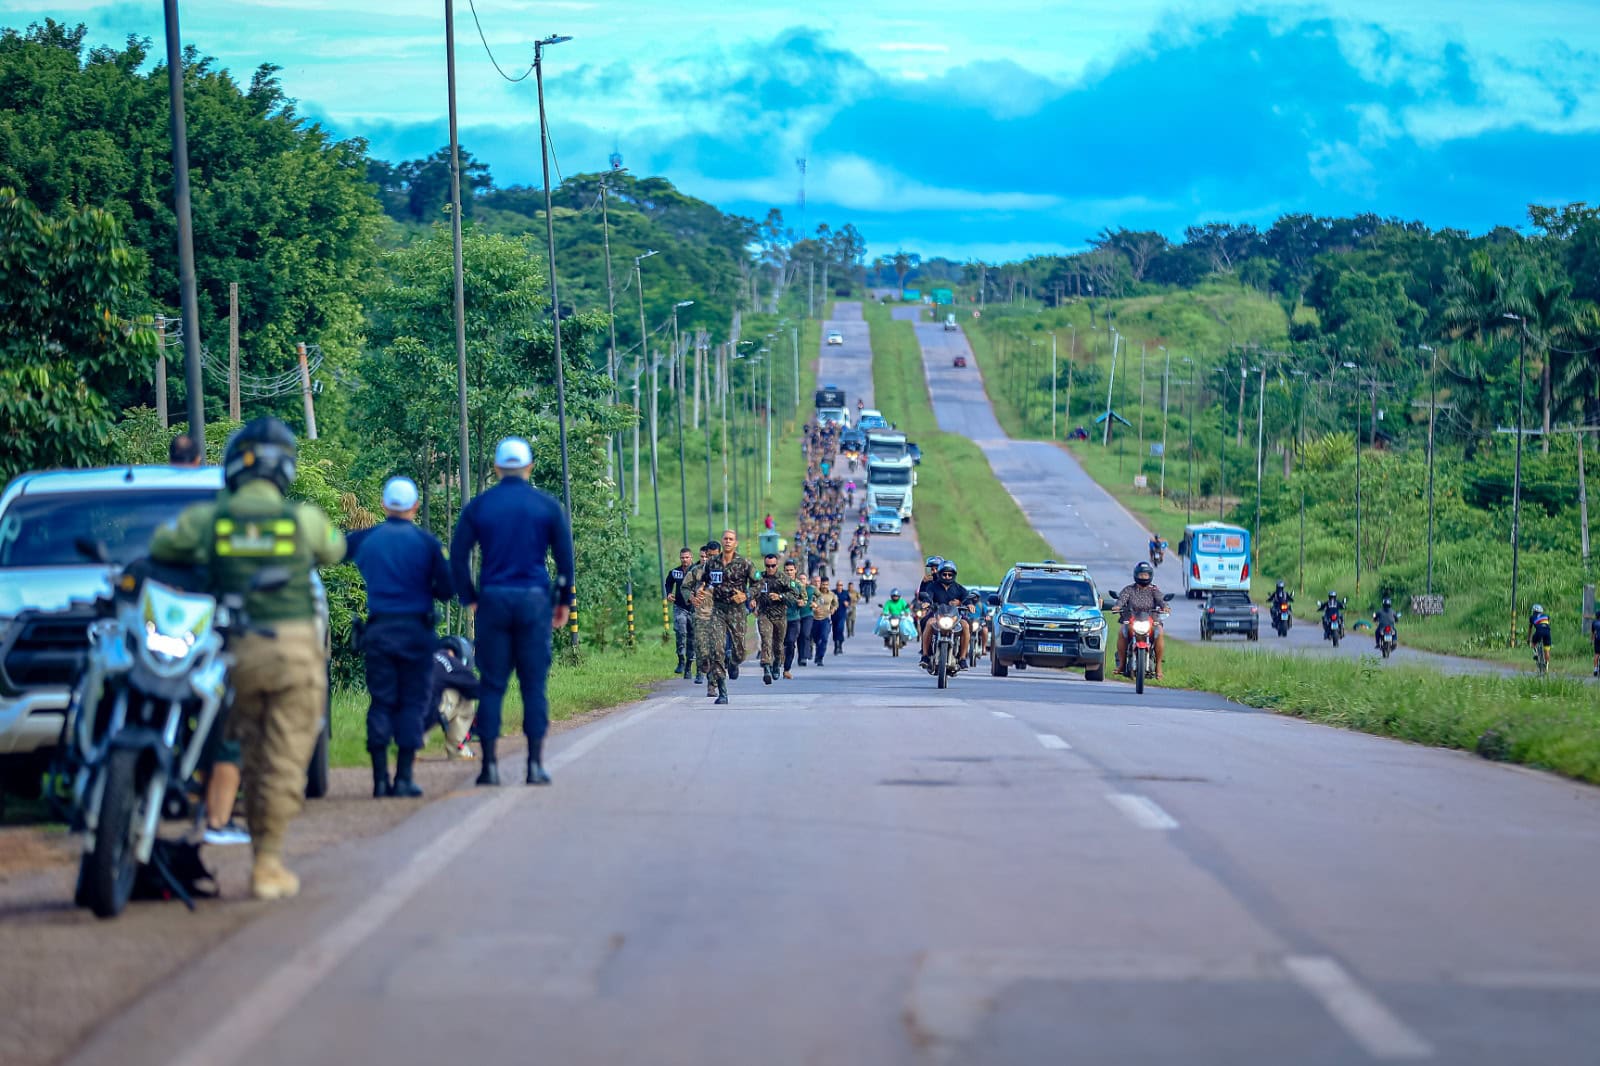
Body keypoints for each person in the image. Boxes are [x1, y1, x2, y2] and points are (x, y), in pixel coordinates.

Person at [150, 417, 345, 900]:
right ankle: (267, 864)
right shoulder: (302, 519)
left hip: (236, 655)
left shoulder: (210, 520)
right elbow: (335, 548)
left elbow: (162, 545)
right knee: (283, 762)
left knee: (251, 755)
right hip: (294, 654)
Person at [450, 436, 575, 788]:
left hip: (494, 600)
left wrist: (470, 597)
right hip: (534, 601)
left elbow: (458, 556)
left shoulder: (480, 506)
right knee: (533, 686)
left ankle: (489, 767)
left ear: (496, 468)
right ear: (529, 468)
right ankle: (534, 766)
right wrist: (563, 602)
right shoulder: (547, 506)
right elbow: (565, 560)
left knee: (492, 684)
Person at [346, 476, 454, 799]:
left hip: (379, 632)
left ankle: (380, 780)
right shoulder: (427, 543)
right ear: (415, 506)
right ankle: (404, 778)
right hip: (416, 634)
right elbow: (447, 589)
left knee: (381, 701)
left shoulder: (365, 539)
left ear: (383, 505)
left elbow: (333, 550)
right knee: (412, 701)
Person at [166, 431, 245, 844]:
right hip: (213, 631)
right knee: (228, 719)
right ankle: (219, 814)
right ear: (198, 458)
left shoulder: (161, 505)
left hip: (166, 628)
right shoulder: (222, 503)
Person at [699, 529, 754, 704]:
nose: (728, 541)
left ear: (735, 543)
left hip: (737, 611)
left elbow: (759, 583)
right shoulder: (712, 563)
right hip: (718, 610)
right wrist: (701, 590)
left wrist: (747, 595)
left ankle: (733, 661)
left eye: (731, 539)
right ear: (722, 541)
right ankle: (722, 692)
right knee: (717, 649)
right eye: (725, 539)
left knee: (740, 652)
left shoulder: (745, 563)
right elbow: (704, 581)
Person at [1112, 561, 1169, 679]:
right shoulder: (1129, 589)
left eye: (1146, 575)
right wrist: (1118, 606)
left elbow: (1161, 600)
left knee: (1159, 632)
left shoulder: (1154, 590)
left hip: (1151, 621)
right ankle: (1121, 664)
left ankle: (1158, 667)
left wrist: (1165, 607)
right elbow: (1122, 599)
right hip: (1132, 620)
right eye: (1141, 575)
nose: (1143, 577)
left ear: (1150, 576)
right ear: (1136, 575)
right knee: (1122, 631)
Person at [429, 635, 480, 760]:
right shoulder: (454, 664)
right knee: (465, 697)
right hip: (424, 716)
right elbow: (478, 690)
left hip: (399, 715)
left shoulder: (426, 655)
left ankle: (407, 749)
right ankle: (458, 749)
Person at [754, 553, 799, 685]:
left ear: (777, 565)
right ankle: (766, 667)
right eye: (767, 566)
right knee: (766, 640)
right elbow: (752, 590)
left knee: (778, 645)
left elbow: (794, 594)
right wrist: (752, 600)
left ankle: (777, 663)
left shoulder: (784, 579)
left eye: (773, 566)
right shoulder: (759, 577)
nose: (770, 568)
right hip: (764, 614)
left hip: (780, 616)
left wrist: (780, 597)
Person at [918, 560, 972, 668]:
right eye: (944, 574)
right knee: (928, 622)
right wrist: (927, 602)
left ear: (954, 575)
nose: (947, 577)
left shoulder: (959, 588)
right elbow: (928, 596)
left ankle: (962, 657)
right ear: (940, 574)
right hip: (937, 615)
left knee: (966, 625)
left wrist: (968, 604)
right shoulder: (932, 586)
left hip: (955, 616)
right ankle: (925, 655)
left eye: (949, 575)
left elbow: (966, 598)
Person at [665, 547, 697, 677]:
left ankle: (689, 666)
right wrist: (668, 593)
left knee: (692, 637)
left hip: (694, 609)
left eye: (687, 557)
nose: (684, 560)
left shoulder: (697, 571)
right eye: (682, 558)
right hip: (679, 607)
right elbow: (668, 582)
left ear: (691, 557)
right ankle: (681, 660)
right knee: (680, 632)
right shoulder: (675, 572)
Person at [691, 541, 719, 687]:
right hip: (701, 615)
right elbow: (684, 587)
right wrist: (692, 597)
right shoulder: (696, 571)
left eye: (714, 556)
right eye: (708, 555)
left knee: (716, 651)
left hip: (719, 616)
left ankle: (712, 685)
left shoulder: (726, 570)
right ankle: (702, 667)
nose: (710, 559)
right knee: (702, 649)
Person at [785, 568, 812, 674]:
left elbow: (812, 599)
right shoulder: (781, 583)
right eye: (787, 570)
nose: (789, 572)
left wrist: (810, 603)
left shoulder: (809, 589)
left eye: (804, 579)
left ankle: (803, 657)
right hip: (785, 617)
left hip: (804, 616)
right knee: (785, 641)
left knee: (804, 635)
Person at [810, 580, 838, 665]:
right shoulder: (815, 594)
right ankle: (817, 651)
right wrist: (813, 608)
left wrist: (833, 609)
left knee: (824, 638)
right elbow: (809, 602)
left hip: (825, 619)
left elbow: (835, 604)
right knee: (816, 639)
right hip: (814, 619)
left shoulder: (831, 595)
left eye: (826, 584)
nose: (825, 586)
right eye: (823, 584)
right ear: (820, 584)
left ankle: (820, 657)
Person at [832, 580, 850, 654]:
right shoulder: (833, 593)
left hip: (842, 615)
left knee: (840, 629)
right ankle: (836, 645)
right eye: (838, 585)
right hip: (834, 615)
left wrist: (847, 603)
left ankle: (840, 644)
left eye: (841, 585)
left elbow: (849, 600)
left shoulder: (845, 593)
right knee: (835, 630)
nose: (839, 587)